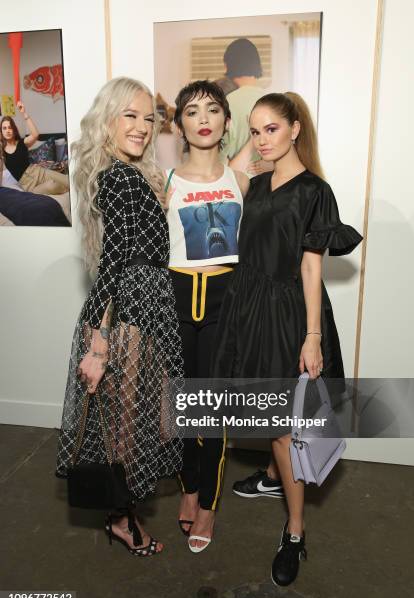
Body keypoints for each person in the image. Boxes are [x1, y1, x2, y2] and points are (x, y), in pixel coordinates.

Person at [212, 92, 363, 585]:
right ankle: (276, 477)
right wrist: (254, 142)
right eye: (254, 131)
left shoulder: (313, 191)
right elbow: (227, 168)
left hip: (290, 315)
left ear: (296, 128)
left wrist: (313, 335)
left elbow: (311, 265)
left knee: (285, 426)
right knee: (267, 413)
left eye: (272, 129)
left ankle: (295, 532)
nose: (261, 140)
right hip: (249, 309)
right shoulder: (254, 185)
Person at [55, 77, 184, 556]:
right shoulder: (121, 177)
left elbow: (125, 253)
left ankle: (119, 517)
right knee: (126, 427)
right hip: (130, 315)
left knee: (124, 423)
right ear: (107, 119)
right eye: (130, 115)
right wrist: (100, 341)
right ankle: (124, 522)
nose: (142, 127)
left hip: (141, 309)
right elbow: (115, 263)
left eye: (149, 118)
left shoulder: (125, 176)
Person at [165, 80, 249, 553]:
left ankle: (209, 505)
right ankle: (189, 488)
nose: (202, 119)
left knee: (211, 407)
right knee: (181, 405)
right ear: (179, 123)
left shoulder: (242, 180)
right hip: (176, 297)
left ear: (225, 120)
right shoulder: (167, 181)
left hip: (224, 301)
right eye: (192, 111)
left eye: (212, 110)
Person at [1, 101, 69, 195]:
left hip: (40, 172)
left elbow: (35, 135)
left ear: (13, 129)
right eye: (4, 128)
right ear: (1, 132)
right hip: (29, 186)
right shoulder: (2, 150)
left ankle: (71, 189)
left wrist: (24, 113)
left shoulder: (22, 142)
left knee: (68, 180)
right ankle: (68, 191)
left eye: (10, 127)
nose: (7, 130)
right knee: (52, 185)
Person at [220, 38, 265, 164]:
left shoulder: (225, 103)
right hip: (269, 181)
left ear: (227, 65)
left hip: (235, 181)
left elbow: (220, 166)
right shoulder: (275, 101)